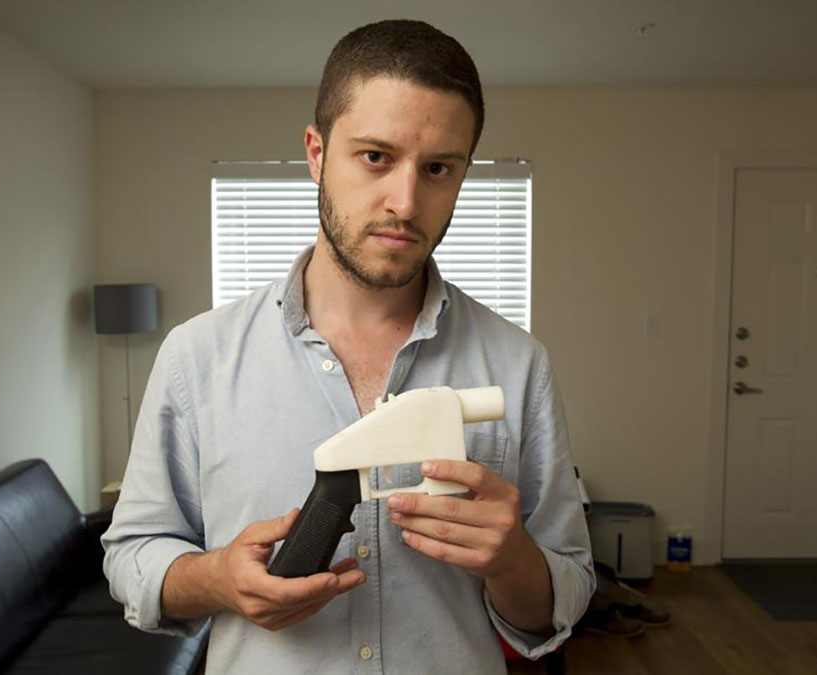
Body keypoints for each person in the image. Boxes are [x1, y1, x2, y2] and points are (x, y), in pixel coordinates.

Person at [102, 19, 595, 674]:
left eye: (438, 168)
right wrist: (217, 578)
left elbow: (565, 592)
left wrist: (513, 562)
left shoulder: (519, 365)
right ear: (316, 153)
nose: (406, 202)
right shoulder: (196, 358)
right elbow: (131, 556)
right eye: (375, 157)